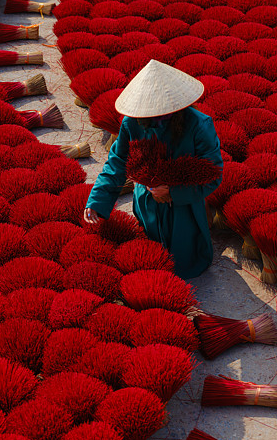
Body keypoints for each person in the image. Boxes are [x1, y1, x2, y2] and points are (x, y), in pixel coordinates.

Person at [84, 60, 223, 280]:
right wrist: (97, 200)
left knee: (184, 259)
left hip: (184, 208)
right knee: (150, 249)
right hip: (146, 202)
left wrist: (172, 192)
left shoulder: (199, 125)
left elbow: (213, 174)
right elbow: (117, 161)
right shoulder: (132, 123)